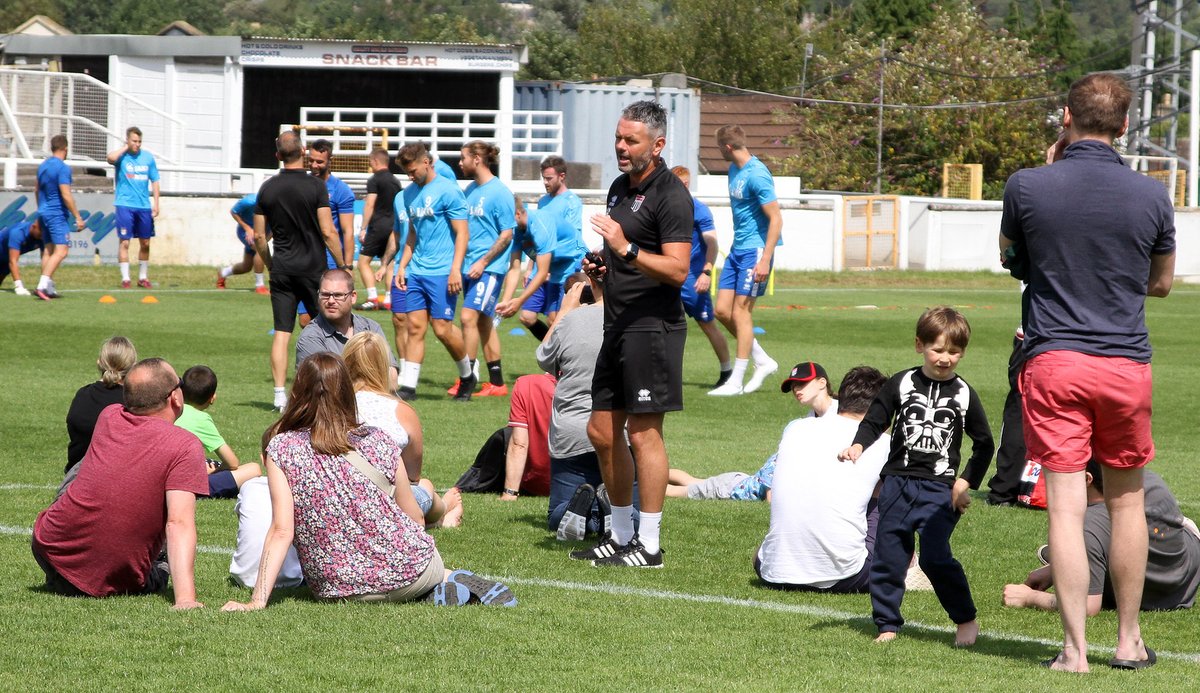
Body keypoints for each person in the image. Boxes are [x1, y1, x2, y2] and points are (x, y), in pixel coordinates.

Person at [999, 72, 1175, 673]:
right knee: (1127, 505)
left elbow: (1010, 260)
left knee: (1067, 507)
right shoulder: (1153, 195)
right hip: (1125, 362)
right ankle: (1128, 642)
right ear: (1124, 126)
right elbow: (1162, 283)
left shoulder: (1026, 185)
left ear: (1065, 118)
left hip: (1055, 361)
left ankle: (1075, 652)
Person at [221, 353, 515, 610]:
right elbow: (412, 517)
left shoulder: (283, 448)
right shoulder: (379, 440)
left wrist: (257, 600)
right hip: (411, 572)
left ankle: (433, 586)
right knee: (421, 566)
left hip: (335, 587)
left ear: (298, 393)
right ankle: (441, 580)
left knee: (390, 579)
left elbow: (282, 530)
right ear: (347, 394)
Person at [572, 100, 692, 568]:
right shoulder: (621, 187)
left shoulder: (672, 195)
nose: (620, 147)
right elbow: (625, 257)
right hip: (616, 324)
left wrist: (627, 247)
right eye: (619, 138)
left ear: (657, 145)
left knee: (644, 435)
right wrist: (604, 265)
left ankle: (651, 544)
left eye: (631, 140)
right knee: (602, 431)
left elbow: (678, 269)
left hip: (652, 329)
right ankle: (620, 535)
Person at [839, 306, 994, 646]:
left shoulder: (964, 393)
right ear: (919, 345)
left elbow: (984, 444)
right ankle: (887, 624)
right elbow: (874, 420)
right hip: (896, 483)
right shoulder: (902, 382)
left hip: (941, 489)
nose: (945, 358)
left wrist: (963, 483)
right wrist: (857, 447)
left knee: (936, 557)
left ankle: (965, 619)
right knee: (889, 555)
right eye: (937, 349)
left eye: (954, 352)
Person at [32, 358, 207, 608]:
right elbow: (178, 522)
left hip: (49, 549)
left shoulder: (109, 416)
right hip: (112, 574)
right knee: (161, 561)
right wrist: (186, 599)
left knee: (81, 467)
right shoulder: (185, 445)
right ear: (175, 398)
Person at [1003, 460, 1200, 616]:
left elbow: (1088, 606)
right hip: (1187, 572)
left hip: (1155, 596)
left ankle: (1074, 558)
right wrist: (1054, 571)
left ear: (1087, 479)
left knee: (1088, 546)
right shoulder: (1147, 479)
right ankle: (1069, 560)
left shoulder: (1089, 526)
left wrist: (1029, 597)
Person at [756, 366, 890, 592]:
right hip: (847, 575)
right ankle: (904, 562)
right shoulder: (884, 443)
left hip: (770, 569)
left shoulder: (797, 428)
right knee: (888, 484)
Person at [253, 130, 345, 411]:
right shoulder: (316, 187)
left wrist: (270, 264)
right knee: (329, 328)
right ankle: (334, 387)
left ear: (278, 156)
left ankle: (280, 395)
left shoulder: (267, 188)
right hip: (312, 269)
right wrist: (342, 266)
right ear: (304, 151)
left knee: (282, 332)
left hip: (282, 269)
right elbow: (328, 231)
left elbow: (258, 237)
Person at [343, 331, 464, 528]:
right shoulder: (401, 410)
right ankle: (443, 511)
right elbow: (412, 476)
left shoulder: (330, 406)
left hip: (340, 498)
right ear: (384, 366)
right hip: (388, 501)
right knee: (425, 485)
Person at [667, 361, 837, 500]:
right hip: (740, 486)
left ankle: (648, 474)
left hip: (743, 482)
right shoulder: (804, 424)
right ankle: (646, 476)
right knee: (678, 490)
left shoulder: (841, 413)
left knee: (694, 482)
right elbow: (777, 468)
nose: (796, 390)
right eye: (794, 386)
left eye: (802, 383)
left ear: (822, 383)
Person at [393, 141, 474, 402]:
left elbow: (462, 233)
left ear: (426, 162)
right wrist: (402, 266)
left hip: (442, 271)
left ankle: (467, 375)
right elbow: (412, 236)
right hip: (416, 269)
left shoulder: (449, 191)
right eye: (407, 172)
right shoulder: (408, 194)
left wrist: (455, 270)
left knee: (442, 329)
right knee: (415, 327)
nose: (411, 176)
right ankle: (409, 387)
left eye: (414, 170)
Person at [708, 124, 781, 397]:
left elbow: (776, 218)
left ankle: (736, 381)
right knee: (722, 311)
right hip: (737, 249)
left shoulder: (758, 174)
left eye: (719, 148)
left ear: (727, 147)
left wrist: (765, 259)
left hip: (755, 251)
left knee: (741, 312)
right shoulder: (733, 170)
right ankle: (762, 360)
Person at [452, 140, 515, 397]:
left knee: (468, 318)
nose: (460, 162)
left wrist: (483, 262)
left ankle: (467, 378)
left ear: (476, 159)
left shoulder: (500, 192)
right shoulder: (469, 190)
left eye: (463, 157)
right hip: (469, 267)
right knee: (484, 322)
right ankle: (497, 383)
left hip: (488, 268)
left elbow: (507, 234)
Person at [671, 165, 731, 387]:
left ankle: (727, 372)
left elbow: (712, 244)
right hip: (668, 277)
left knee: (707, 325)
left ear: (686, 185)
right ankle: (665, 374)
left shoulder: (699, 210)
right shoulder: (665, 208)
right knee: (662, 325)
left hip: (693, 279)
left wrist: (706, 272)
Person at [229, 424, 304, 589]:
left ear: (263, 459)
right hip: (292, 579)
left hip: (243, 577)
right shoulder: (302, 489)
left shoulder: (250, 486)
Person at [295, 269, 398, 387]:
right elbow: (326, 387)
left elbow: (392, 378)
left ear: (353, 297)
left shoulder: (371, 327)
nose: (331, 301)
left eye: (338, 295)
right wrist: (371, 379)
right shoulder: (310, 338)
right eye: (325, 295)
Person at [520, 155, 586, 338]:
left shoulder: (572, 202)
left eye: (549, 178)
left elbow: (572, 237)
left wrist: (549, 261)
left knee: (555, 320)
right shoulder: (543, 202)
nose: (545, 182)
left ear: (562, 176)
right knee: (526, 316)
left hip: (563, 268)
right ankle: (551, 354)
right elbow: (538, 237)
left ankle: (558, 361)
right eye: (543, 178)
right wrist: (531, 268)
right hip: (542, 267)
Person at [174, 365, 262, 498]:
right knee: (253, 469)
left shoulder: (172, 409)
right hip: (184, 485)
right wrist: (215, 471)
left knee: (208, 462)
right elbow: (232, 462)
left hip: (164, 475)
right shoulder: (200, 419)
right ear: (212, 398)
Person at [64, 336, 137, 475]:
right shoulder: (133, 402)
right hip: (115, 478)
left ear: (99, 362)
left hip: (75, 478)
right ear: (133, 367)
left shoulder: (82, 394)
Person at [107, 126, 161, 289]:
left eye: (139, 141)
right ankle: (125, 279)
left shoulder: (148, 158)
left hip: (143, 206)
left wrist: (156, 203)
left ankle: (143, 277)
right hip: (124, 205)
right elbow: (109, 158)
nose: (137, 144)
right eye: (134, 141)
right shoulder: (121, 157)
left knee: (145, 242)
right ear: (128, 141)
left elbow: (155, 180)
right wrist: (125, 148)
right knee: (124, 242)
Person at [34, 134, 85, 300]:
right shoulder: (63, 168)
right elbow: (66, 194)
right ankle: (42, 286)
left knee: (48, 250)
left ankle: (48, 287)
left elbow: (36, 190)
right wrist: (77, 216)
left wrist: (41, 208)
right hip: (56, 214)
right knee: (62, 250)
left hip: (44, 212)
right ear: (65, 148)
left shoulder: (43, 166)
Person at [495, 197, 555, 331]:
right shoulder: (516, 231)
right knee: (527, 317)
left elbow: (543, 272)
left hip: (567, 264)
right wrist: (506, 301)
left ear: (517, 214)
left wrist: (519, 301)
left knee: (554, 320)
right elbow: (515, 268)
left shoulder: (538, 227)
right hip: (548, 267)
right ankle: (551, 350)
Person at [498, 373, 556, 501]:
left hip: (536, 483)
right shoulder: (596, 383)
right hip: (585, 483)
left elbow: (519, 444)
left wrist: (509, 493)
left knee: (502, 436)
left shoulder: (526, 383)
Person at [357, 148, 401, 310]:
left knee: (363, 262)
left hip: (378, 225)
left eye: (370, 162)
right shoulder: (396, 181)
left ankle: (372, 298)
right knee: (389, 263)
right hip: (393, 226)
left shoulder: (374, 180)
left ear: (375, 161)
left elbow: (370, 204)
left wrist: (363, 228)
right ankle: (389, 299)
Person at [308, 139, 356, 271]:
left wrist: (348, 266)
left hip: (329, 260)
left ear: (330, 160)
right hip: (302, 256)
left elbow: (348, 232)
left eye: (319, 162)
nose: (314, 165)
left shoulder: (341, 190)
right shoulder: (301, 185)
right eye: (311, 160)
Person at [216, 193, 269, 294]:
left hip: (262, 233)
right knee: (260, 250)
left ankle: (223, 273)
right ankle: (260, 286)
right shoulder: (249, 201)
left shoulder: (278, 205)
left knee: (246, 267)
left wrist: (266, 238)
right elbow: (234, 211)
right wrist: (247, 228)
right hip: (246, 232)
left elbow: (276, 226)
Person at [2, 216, 45, 296]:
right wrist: (19, 286)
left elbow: (45, 260)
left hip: (6, 259)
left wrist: (45, 283)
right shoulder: (18, 233)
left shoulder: (42, 237)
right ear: (34, 227)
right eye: (40, 234)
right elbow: (13, 261)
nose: (42, 237)